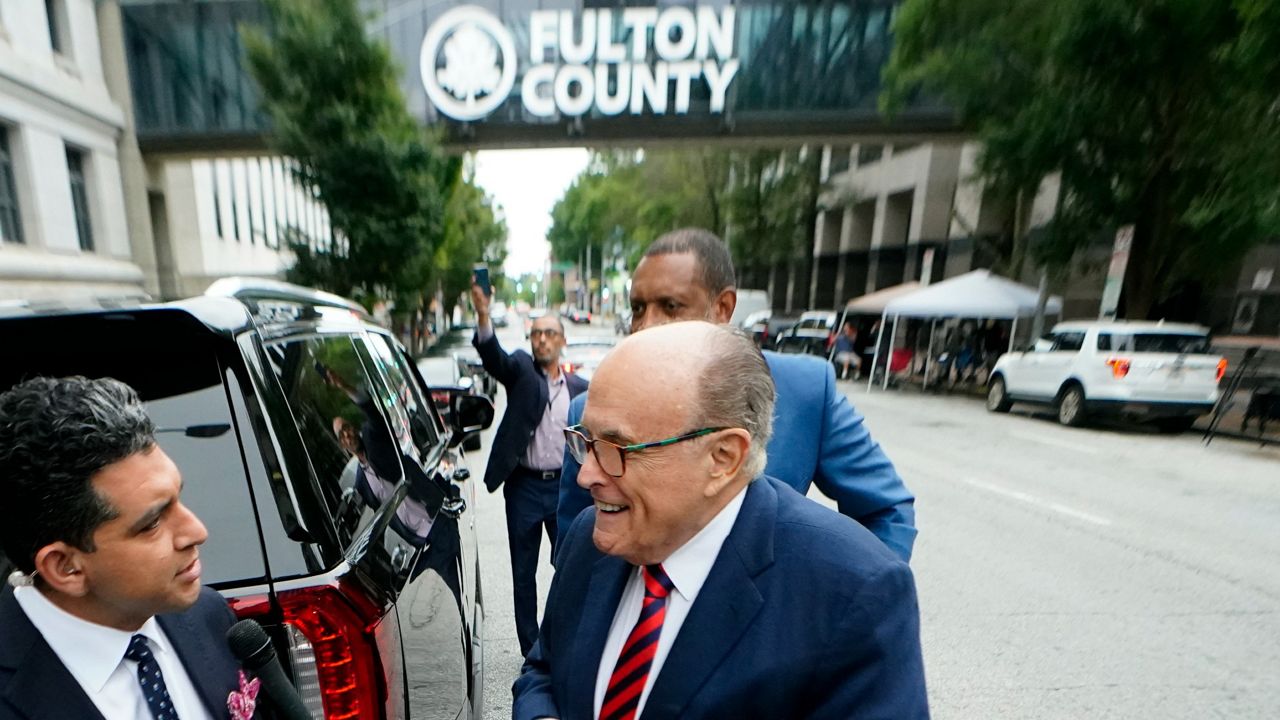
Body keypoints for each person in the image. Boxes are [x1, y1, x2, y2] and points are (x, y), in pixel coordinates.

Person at [513, 322, 928, 720]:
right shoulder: (589, 539)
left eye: (618, 448)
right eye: (585, 441)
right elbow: (544, 670)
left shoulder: (854, 594)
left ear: (723, 458)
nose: (586, 475)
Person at [557, 228, 916, 563]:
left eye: (670, 306)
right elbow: (577, 555)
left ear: (723, 307)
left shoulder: (804, 390)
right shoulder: (590, 413)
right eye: (638, 308)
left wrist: (842, 610)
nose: (646, 325)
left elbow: (887, 511)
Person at [0, 376, 245, 720]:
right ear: (66, 567)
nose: (196, 531)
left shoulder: (209, 616)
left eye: (178, 497)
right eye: (151, 524)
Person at [471, 283, 589, 657]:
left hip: (563, 489)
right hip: (523, 487)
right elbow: (495, 359)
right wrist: (483, 314)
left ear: (562, 340)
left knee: (568, 565)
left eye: (549, 334)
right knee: (523, 574)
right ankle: (530, 650)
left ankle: (565, 638)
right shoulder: (521, 369)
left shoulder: (580, 388)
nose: (541, 341)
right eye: (536, 334)